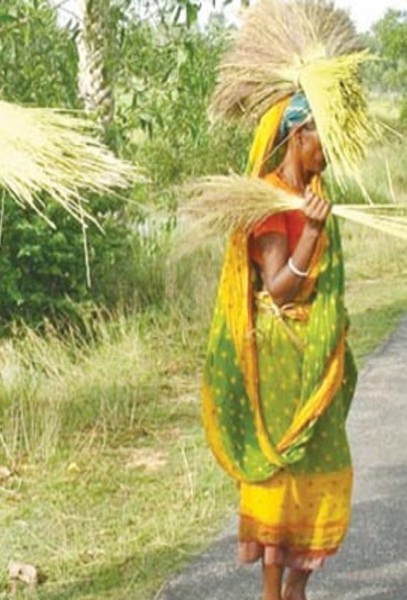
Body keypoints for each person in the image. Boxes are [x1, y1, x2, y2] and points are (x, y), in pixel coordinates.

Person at [202, 92, 358, 600]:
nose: (328, 154)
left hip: (315, 354)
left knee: (325, 462)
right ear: (298, 135)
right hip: (277, 358)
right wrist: (310, 230)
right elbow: (278, 286)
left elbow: (325, 284)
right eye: (323, 141)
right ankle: (274, 592)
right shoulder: (267, 200)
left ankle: (297, 586)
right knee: (279, 471)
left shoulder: (313, 193)